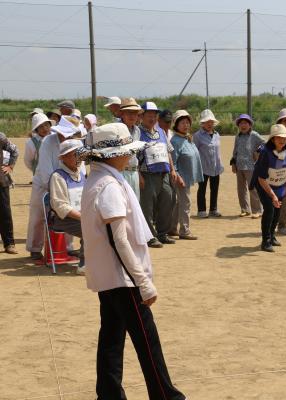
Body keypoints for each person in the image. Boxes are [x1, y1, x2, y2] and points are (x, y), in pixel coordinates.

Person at [78, 122, 186, 400]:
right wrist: (143, 282)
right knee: (147, 341)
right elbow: (119, 240)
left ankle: (109, 394)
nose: (128, 155)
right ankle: (166, 396)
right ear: (111, 154)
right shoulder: (109, 185)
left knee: (112, 339)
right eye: (125, 150)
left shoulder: (98, 179)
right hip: (123, 280)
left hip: (110, 278)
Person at [27, 116, 80, 259]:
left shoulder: (76, 142)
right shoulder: (47, 142)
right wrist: (57, 188)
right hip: (44, 184)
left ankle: (67, 247)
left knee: (69, 212)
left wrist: (75, 184)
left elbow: (79, 167)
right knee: (38, 216)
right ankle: (35, 247)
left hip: (67, 184)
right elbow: (45, 169)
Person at [138, 101, 180, 247]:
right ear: (141, 116)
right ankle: (150, 237)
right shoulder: (137, 133)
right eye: (149, 115)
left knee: (168, 201)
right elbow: (133, 157)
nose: (152, 118)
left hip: (164, 174)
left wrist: (173, 170)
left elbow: (168, 151)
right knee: (147, 207)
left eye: (154, 115)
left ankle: (162, 233)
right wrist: (138, 175)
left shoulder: (161, 132)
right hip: (147, 174)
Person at [250, 124, 286, 252]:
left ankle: (272, 236)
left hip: (280, 183)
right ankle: (265, 241)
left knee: (277, 209)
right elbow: (261, 178)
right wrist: (273, 195)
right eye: (278, 137)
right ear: (272, 139)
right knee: (270, 208)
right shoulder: (265, 153)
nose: (282, 140)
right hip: (263, 184)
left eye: (284, 137)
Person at [48, 140, 86, 274]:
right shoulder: (58, 176)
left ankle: (95, 260)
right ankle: (84, 264)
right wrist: (84, 218)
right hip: (62, 219)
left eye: (80, 155)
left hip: (82, 216)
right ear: (63, 158)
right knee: (91, 228)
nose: (79, 158)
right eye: (74, 155)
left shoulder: (81, 174)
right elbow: (60, 206)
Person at [170, 110, 203, 240]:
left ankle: (172, 228)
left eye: (187, 122)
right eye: (182, 123)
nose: (186, 125)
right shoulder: (175, 141)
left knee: (180, 204)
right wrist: (178, 176)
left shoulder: (187, 138)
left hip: (187, 177)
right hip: (181, 178)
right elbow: (172, 161)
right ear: (176, 124)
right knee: (185, 203)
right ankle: (185, 231)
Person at [230, 114, 264, 218]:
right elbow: (235, 150)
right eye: (241, 123)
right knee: (241, 189)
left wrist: (258, 151)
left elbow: (265, 143)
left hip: (251, 166)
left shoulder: (254, 135)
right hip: (239, 166)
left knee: (253, 188)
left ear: (250, 125)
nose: (243, 125)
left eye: (245, 123)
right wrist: (233, 163)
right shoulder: (238, 136)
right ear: (238, 125)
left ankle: (257, 210)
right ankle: (245, 209)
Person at [193, 109, 224, 218]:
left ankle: (213, 210)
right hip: (203, 167)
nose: (209, 124)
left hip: (216, 167)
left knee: (214, 189)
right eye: (207, 122)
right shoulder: (197, 136)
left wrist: (220, 164)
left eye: (211, 122)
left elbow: (218, 151)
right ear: (202, 123)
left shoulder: (217, 134)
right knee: (202, 189)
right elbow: (194, 152)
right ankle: (201, 210)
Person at [119, 98, 143, 200]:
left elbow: (135, 155)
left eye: (135, 113)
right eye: (129, 112)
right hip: (120, 172)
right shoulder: (116, 129)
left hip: (134, 172)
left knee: (134, 204)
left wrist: (139, 174)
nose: (132, 116)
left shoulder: (137, 131)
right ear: (122, 114)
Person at [0, 132, 19, 254]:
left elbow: (14, 150)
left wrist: (10, 166)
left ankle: (9, 244)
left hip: (0, 180)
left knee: (4, 212)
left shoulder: (0, 137)